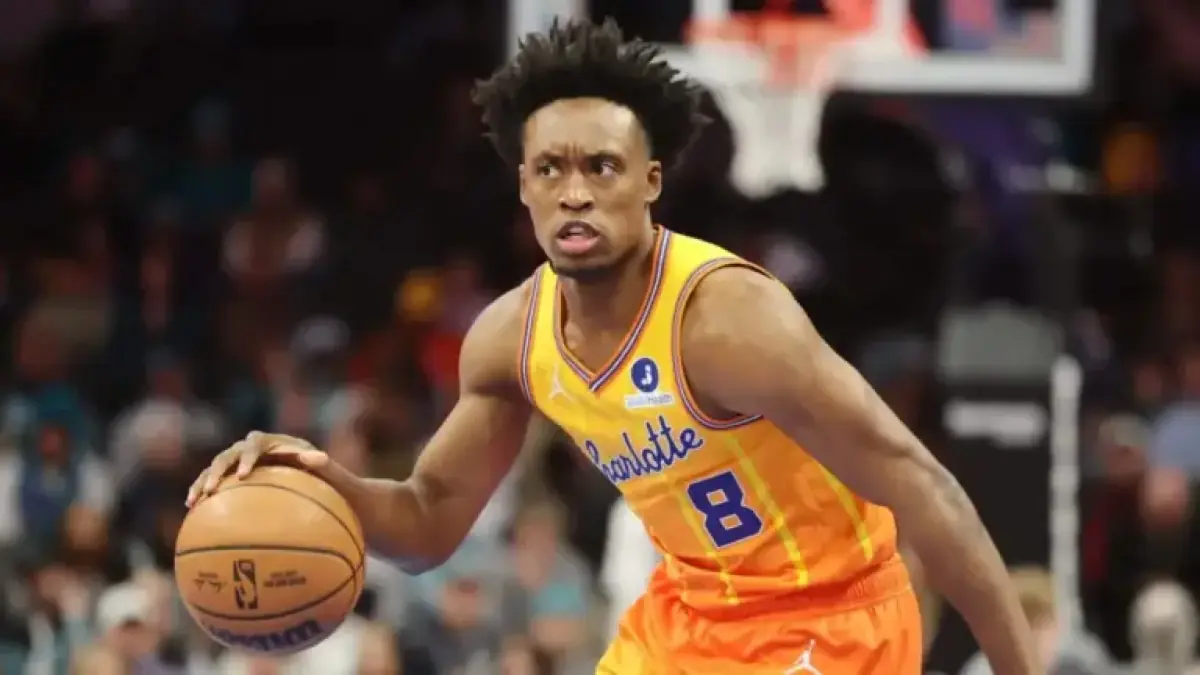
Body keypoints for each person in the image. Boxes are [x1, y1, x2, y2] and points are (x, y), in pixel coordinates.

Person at [188, 18, 1038, 674]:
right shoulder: (510, 340)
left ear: (650, 182)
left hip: (831, 615)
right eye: (550, 169)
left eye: (601, 166)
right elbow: (427, 521)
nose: (575, 192)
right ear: (523, 186)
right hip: (686, 618)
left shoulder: (727, 321)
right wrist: (324, 485)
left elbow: (923, 484)